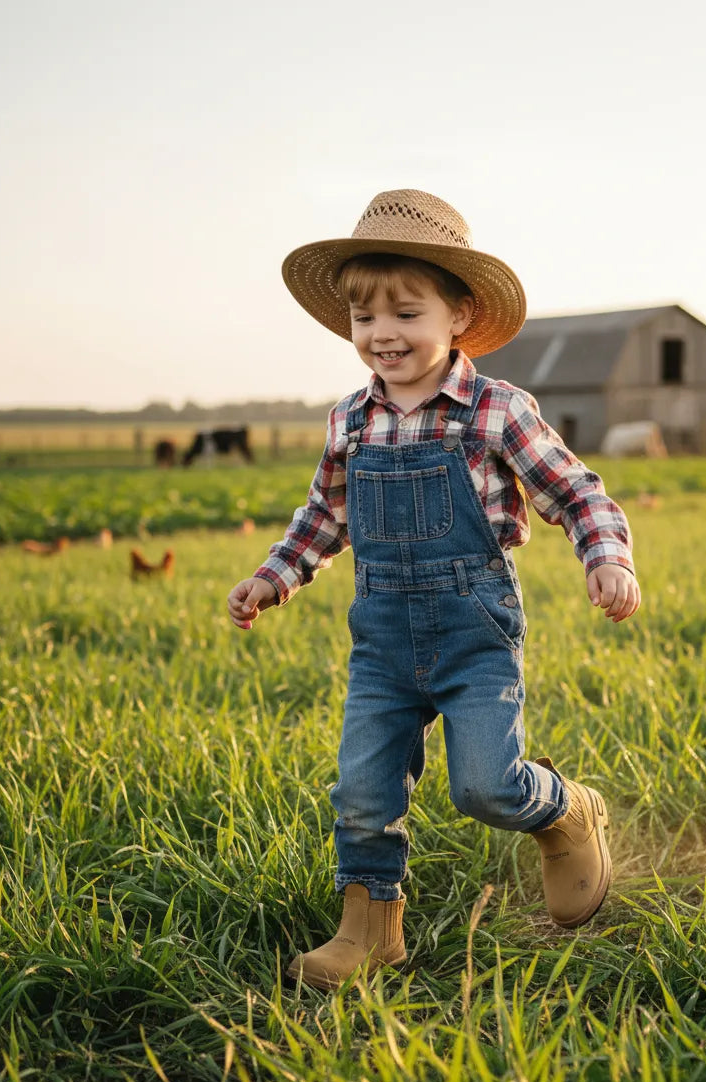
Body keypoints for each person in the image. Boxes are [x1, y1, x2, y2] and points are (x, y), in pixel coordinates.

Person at [227, 189, 640, 990]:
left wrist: (606, 556)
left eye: (406, 314)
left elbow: (577, 492)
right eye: (363, 319)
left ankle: (564, 810)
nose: (381, 335)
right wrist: (272, 578)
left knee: (485, 786)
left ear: (459, 313)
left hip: (473, 632)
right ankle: (369, 929)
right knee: (361, 788)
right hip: (381, 639)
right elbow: (324, 515)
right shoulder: (349, 419)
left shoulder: (498, 412)